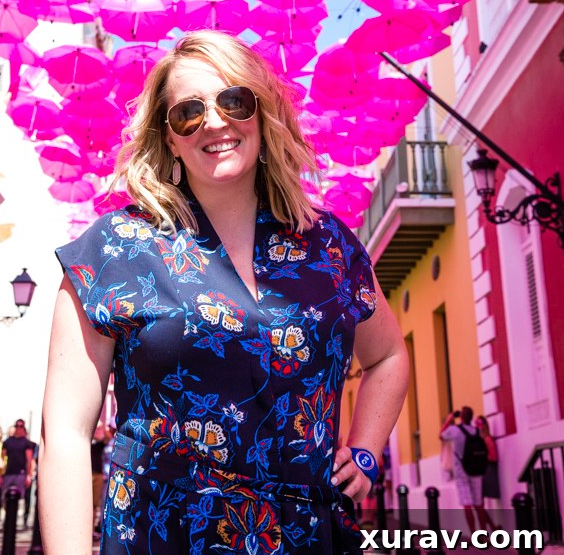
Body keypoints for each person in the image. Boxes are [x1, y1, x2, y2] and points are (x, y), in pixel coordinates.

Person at [40, 31, 409, 555]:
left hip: (309, 536)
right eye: (188, 113)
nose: (214, 122)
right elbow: (67, 434)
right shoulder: (114, 250)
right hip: (165, 534)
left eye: (234, 101)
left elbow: (389, 354)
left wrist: (366, 453)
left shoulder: (329, 245)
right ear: (169, 137)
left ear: (261, 113)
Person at [440, 406, 489, 532]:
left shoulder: (454, 430)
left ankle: (474, 534)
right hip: (477, 470)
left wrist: (449, 420)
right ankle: (483, 534)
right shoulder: (477, 431)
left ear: (461, 417)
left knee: (467, 504)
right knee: (479, 504)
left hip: (461, 471)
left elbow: (441, 436)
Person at [1, 418, 35, 527]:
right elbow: (1, 459)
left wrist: (29, 475)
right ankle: (8, 519)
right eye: (17, 426)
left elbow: (29, 460)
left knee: (18, 498)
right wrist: (1, 475)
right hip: (8, 474)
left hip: (21, 474)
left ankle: (14, 521)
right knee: (5, 499)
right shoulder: (7, 442)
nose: (19, 428)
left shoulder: (27, 443)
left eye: (21, 426)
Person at [475, 416, 500, 512]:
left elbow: (493, 457)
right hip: (484, 472)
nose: (479, 429)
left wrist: (481, 456)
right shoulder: (481, 440)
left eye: (480, 426)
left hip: (489, 471)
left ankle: (495, 524)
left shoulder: (488, 439)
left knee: (491, 499)